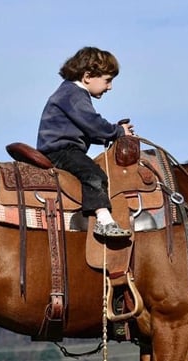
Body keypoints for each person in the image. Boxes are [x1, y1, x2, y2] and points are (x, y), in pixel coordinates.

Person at [37, 47, 135, 238]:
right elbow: (93, 123)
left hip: (64, 148)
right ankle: (104, 220)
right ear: (88, 76)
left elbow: (89, 131)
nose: (110, 87)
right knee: (93, 174)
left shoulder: (71, 93)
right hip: (60, 150)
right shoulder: (72, 94)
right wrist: (117, 132)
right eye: (107, 80)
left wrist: (112, 134)